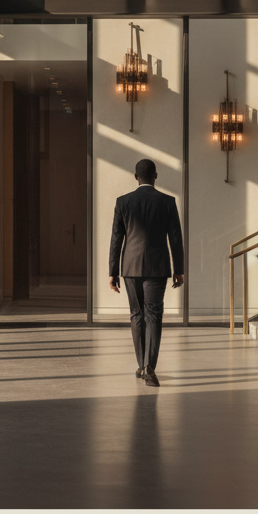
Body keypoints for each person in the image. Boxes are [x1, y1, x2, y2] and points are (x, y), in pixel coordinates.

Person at [108, 158, 184, 387]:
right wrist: (178, 269)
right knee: (153, 315)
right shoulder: (167, 202)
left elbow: (116, 239)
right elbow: (175, 238)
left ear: (135, 176)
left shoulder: (123, 202)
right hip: (157, 267)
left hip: (130, 267)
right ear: (156, 176)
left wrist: (113, 271)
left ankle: (141, 366)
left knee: (136, 315)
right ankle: (149, 365)